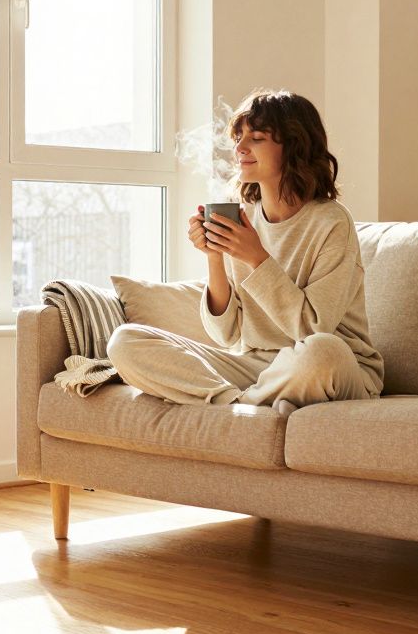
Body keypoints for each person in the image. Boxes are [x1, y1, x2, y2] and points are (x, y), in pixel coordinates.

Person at [108, 89, 384, 415]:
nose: (239, 148)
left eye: (256, 138)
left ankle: (241, 407)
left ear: (294, 145)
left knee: (323, 351)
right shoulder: (246, 219)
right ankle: (238, 406)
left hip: (332, 366)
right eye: (239, 137)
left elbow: (313, 329)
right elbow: (228, 335)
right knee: (126, 341)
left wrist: (257, 258)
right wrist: (214, 255)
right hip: (256, 366)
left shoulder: (332, 222)